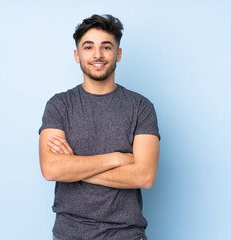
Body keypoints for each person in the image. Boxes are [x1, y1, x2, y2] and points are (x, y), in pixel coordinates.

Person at [39, 14, 160, 240]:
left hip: (126, 235)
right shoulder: (59, 105)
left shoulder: (141, 107)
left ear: (118, 54)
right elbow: (51, 169)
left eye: (106, 47)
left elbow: (145, 176)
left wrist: (73, 167)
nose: (97, 55)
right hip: (68, 234)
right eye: (88, 47)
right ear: (77, 55)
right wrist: (115, 158)